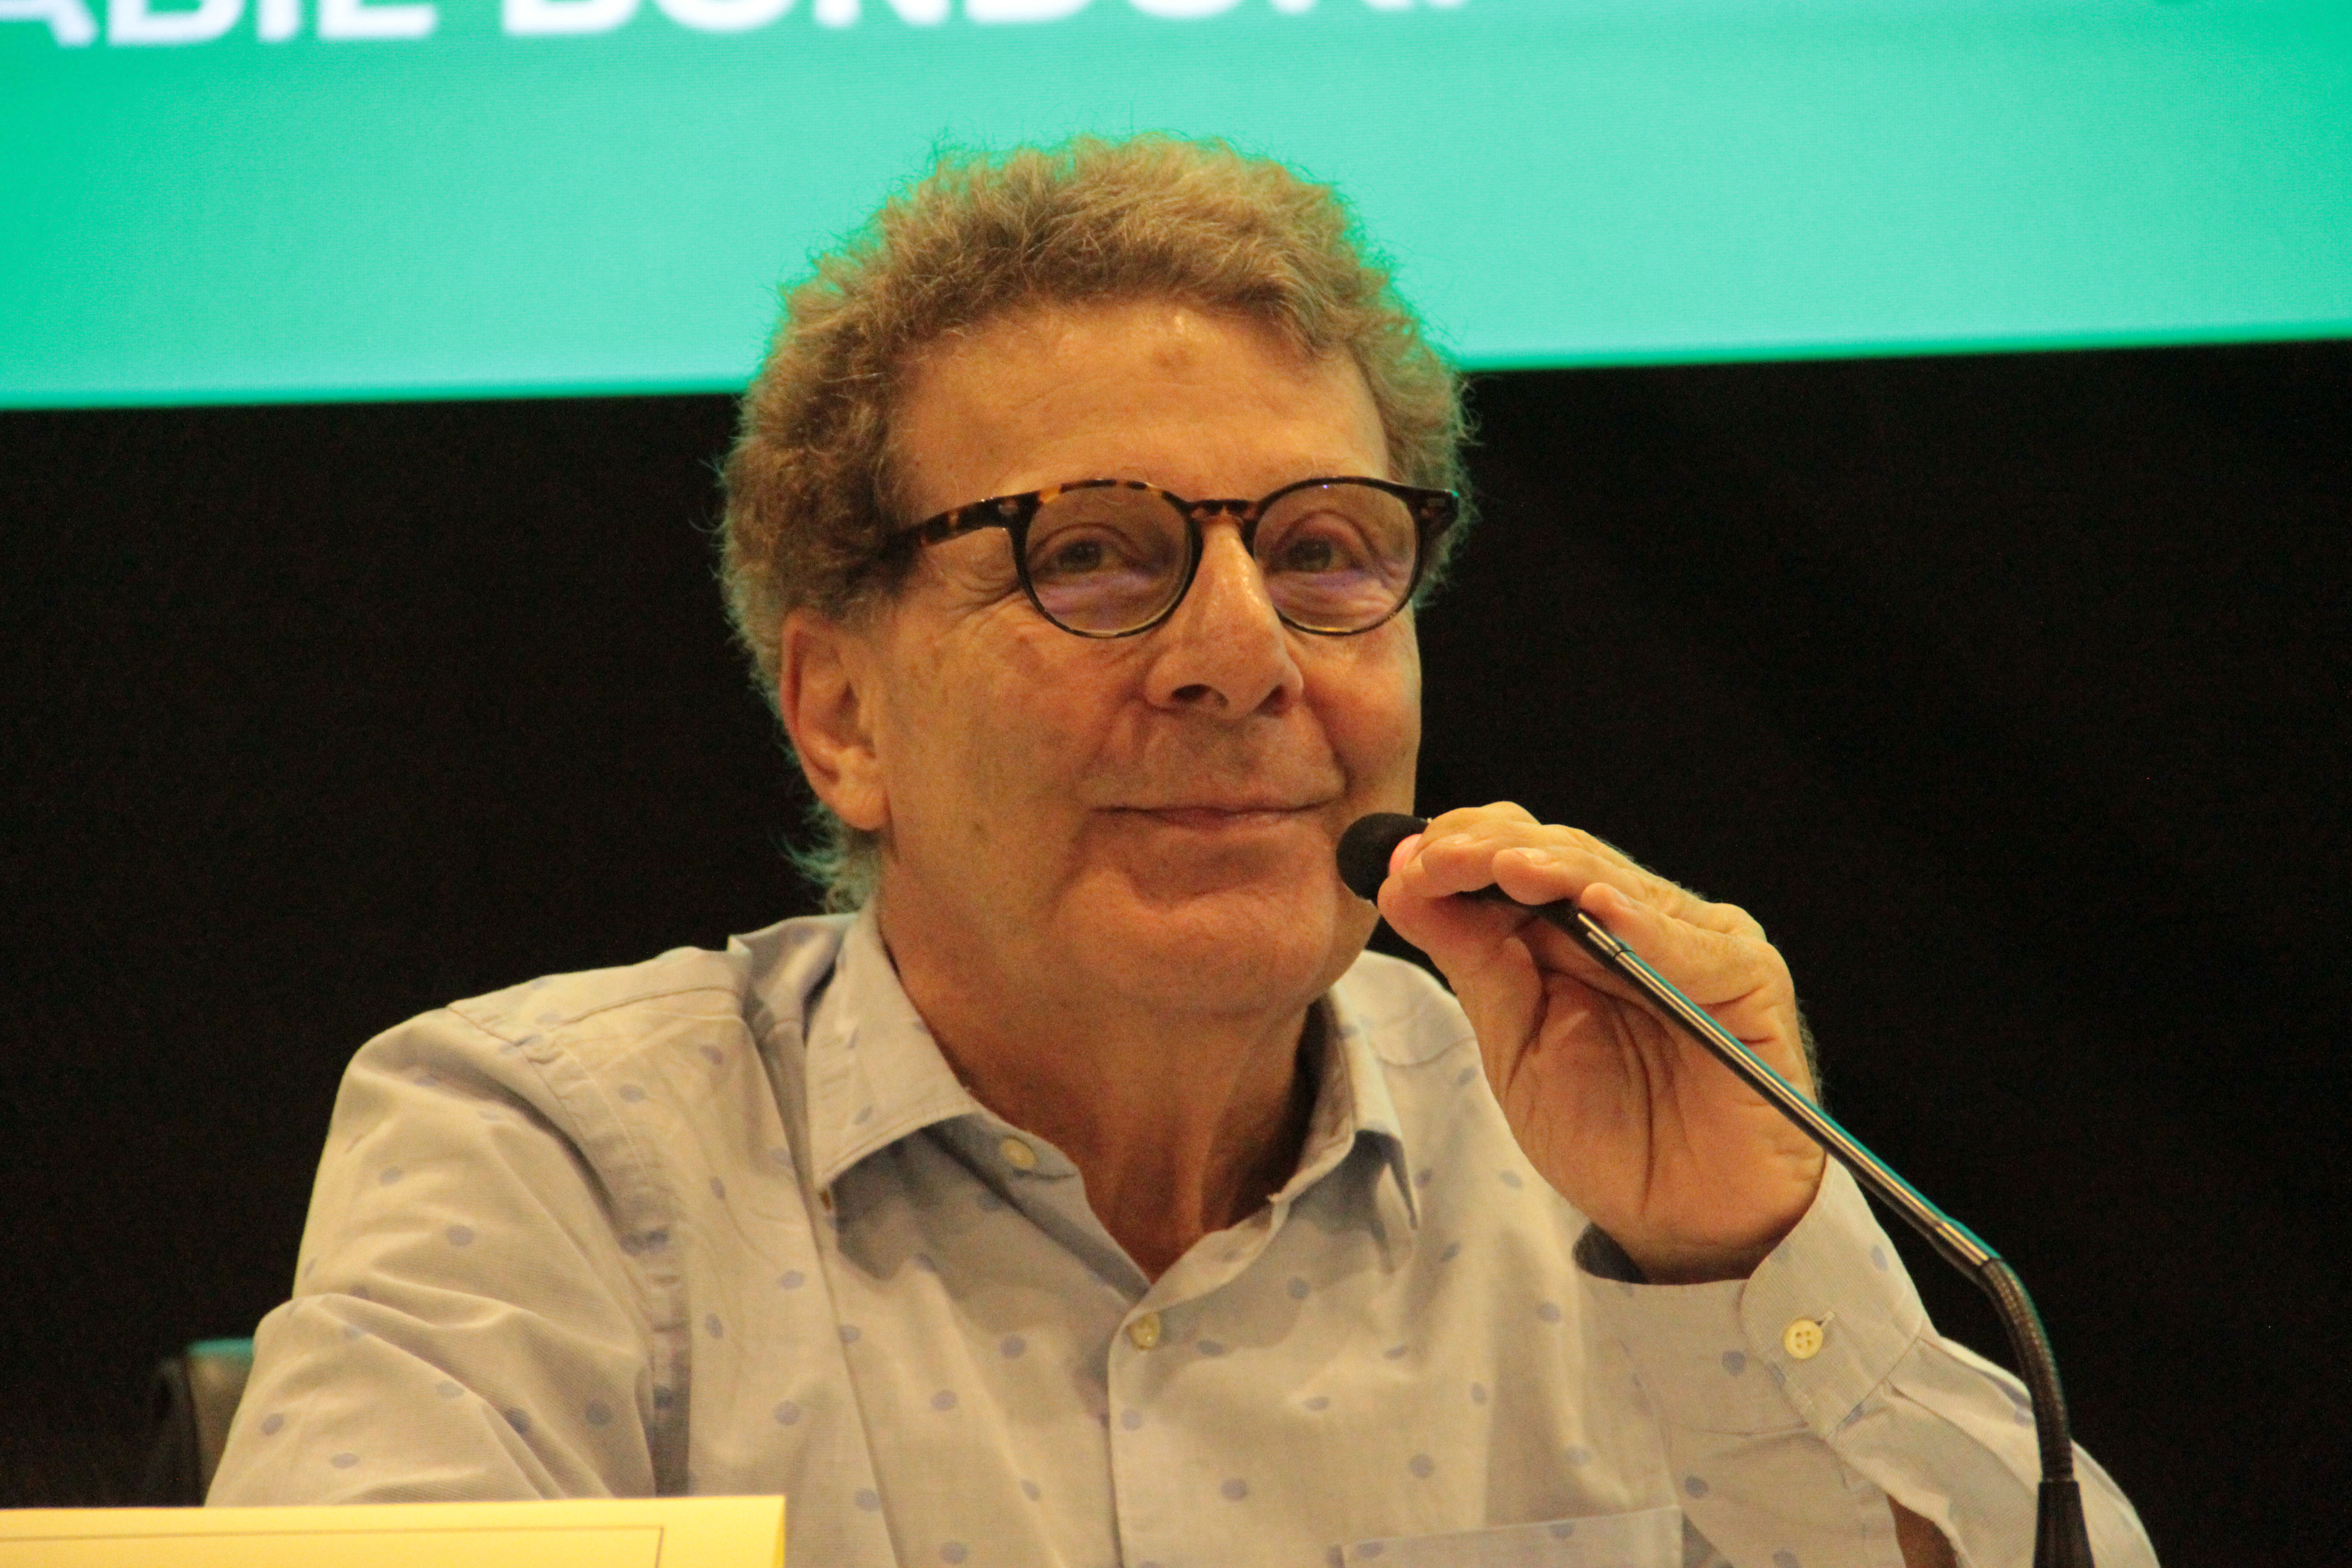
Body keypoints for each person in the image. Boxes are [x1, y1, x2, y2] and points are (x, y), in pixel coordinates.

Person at [210, 137, 2155, 1568]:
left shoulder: (1589, 1147)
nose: (1242, 658)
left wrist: (1738, 1261)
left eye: (1323, 552)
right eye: (1091, 556)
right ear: (843, 713)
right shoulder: (551, 1156)